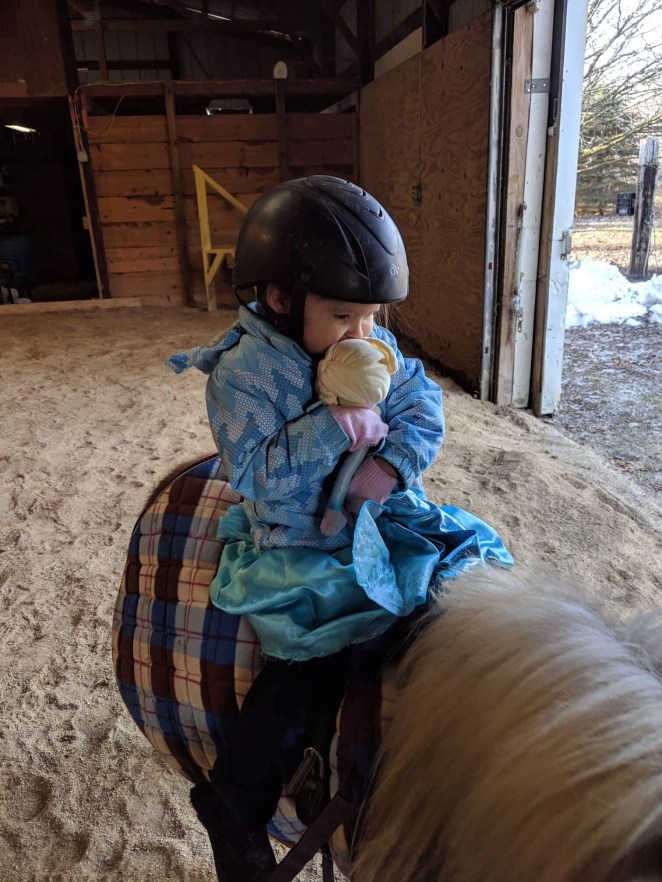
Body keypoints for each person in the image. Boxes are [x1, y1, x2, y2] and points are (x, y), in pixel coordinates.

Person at [168, 176, 512, 840]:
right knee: (309, 658)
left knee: (464, 583)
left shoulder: (370, 347)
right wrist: (333, 421)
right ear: (280, 299)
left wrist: (390, 465)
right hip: (299, 541)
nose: (364, 334)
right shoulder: (243, 376)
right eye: (343, 317)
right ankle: (236, 802)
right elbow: (259, 476)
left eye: (371, 317)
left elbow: (421, 406)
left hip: (378, 518)